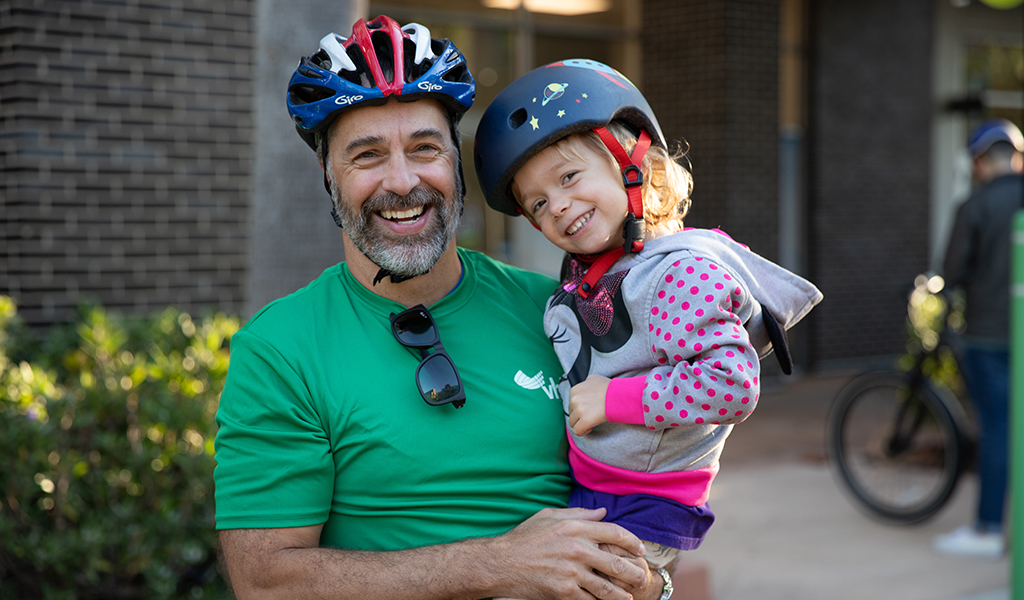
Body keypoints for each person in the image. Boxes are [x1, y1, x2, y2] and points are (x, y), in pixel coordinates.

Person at [213, 16, 671, 600]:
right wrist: (498, 563)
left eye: (425, 148)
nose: (402, 181)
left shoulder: (556, 308)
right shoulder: (281, 349)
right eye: (367, 155)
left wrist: (651, 580)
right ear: (329, 179)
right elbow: (265, 581)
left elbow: (649, 477)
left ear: (457, 164)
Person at [473, 60, 822, 573]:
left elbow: (732, 383)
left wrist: (612, 398)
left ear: (631, 165)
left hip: (646, 502)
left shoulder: (678, 273)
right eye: (540, 204)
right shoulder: (595, 271)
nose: (560, 207)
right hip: (602, 485)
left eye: (570, 177)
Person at [934, 118, 1024, 558]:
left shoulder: (975, 205)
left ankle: (989, 528)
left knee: (998, 428)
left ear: (981, 161)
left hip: (990, 335)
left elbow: (951, 273)